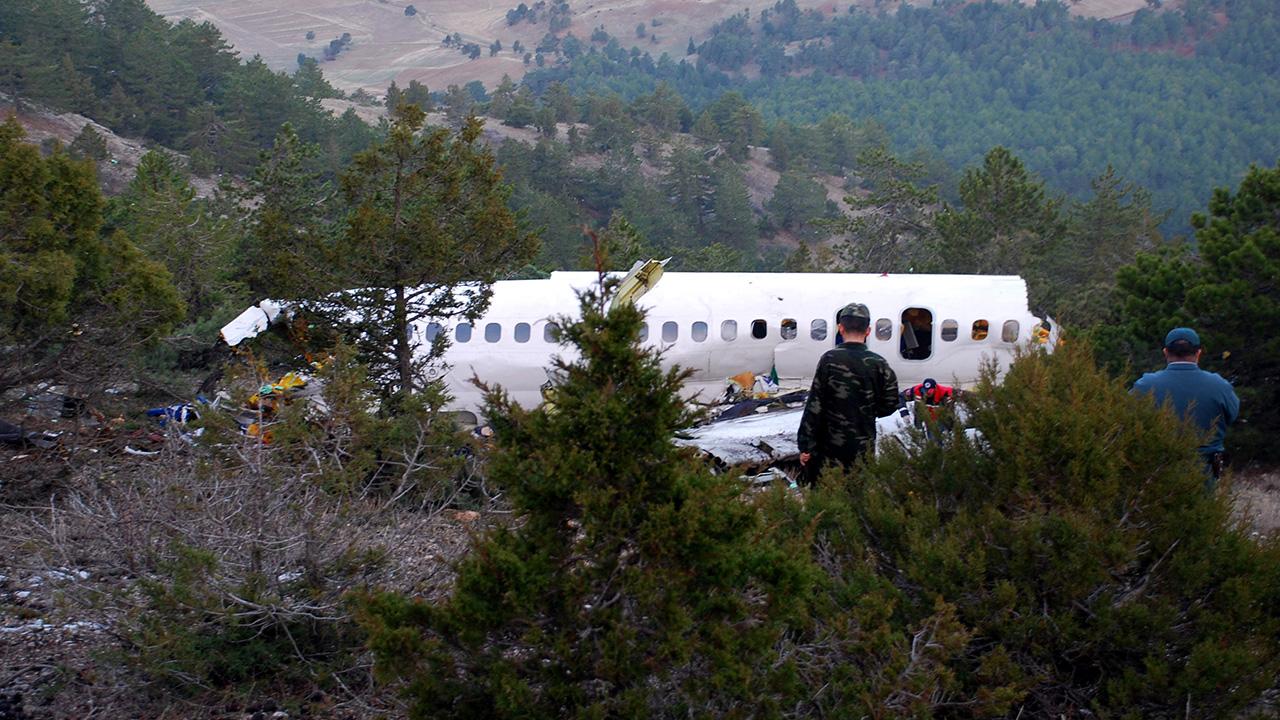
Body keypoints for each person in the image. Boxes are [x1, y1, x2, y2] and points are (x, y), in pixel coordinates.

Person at [797, 303, 900, 485]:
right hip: (862, 448)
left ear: (840, 328)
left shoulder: (829, 359)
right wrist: (868, 411)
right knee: (857, 499)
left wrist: (805, 445)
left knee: (827, 497)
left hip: (828, 449)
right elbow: (891, 403)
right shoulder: (879, 364)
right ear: (868, 331)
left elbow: (815, 405)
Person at [1132, 327, 1239, 489]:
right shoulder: (1219, 386)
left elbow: (1126, 419)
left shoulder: (1145, 385)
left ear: (1166, 352)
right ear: (1198, 353)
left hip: (1156, 474)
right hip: (1204, 475)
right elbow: (1232, 416)